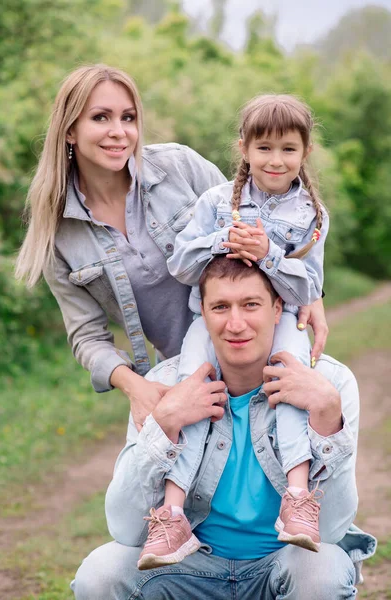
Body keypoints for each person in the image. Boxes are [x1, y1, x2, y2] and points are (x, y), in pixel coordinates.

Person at [15, 66, 328, 434]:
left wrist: (312, 294)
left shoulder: (179, 166)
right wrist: (137, 388)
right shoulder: (59, 232)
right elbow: (87, 337)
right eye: (101, 117)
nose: (119, 131)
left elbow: (264, 209)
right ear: (70, 129)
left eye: (128, 117)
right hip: (189, 374)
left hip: (262, 350)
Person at [71, 257, 376, 600]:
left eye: (250, 305)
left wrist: (328, 418)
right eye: (220, 307)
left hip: (280, 565)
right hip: (191, 567)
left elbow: (330, 532)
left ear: (278, 309)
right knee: (100, 573)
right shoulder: (163, 384)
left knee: (324, 571)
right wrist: (166, 421)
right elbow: (124, 528)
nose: (235, 323)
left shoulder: (330, 384)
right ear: (202, 312)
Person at [139, 94, 329, 565]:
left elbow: (311, 284)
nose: (276, 160)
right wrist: (221, 239)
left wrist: (269, 253)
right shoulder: (216, 201)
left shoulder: (311, 215)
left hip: (280, 321)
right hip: (214, 318)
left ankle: (298, 499)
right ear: (243, 148)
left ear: (305, 152)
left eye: (289, 148)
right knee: (194, 388)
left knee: (286, 386)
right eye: (264, 148)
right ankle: (173, 512)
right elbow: (181, 265)